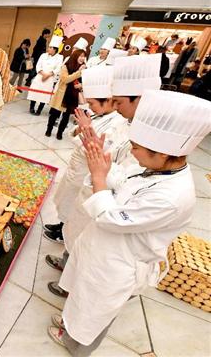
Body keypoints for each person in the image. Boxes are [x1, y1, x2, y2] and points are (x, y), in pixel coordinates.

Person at [48, 89, 211, 356]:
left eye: (137, 148)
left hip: (119, 263)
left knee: (95, 313)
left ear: (163, 153)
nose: (132, 153)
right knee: (81, 298)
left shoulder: (173, 196)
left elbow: (111, 218)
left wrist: (99, 177)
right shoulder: (154, 167)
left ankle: (76, 347)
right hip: (102, 250)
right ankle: (69, 327)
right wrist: (101, 163)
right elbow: (123, 183)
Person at [46, 54, 162, 289]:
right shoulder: (124, 121)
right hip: (94, 187)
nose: (117, 107)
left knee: (83, 246)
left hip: (104, 198)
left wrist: (97, 155)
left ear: (137, 99)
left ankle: (69, 284)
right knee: (74, 231)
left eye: (118, 101)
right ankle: (67, 268)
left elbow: (124, 174)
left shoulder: (147, 140)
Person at [42, 66, 127, 248]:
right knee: (65, 200)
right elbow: (75, 134)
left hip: (86, 173)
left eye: (93, 103)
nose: (90, 107)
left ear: (108, 101)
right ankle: (61, 226)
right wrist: (82, 128)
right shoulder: (100, 114)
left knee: (74, 206)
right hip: (76, 167)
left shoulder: (117, 123)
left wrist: (88, 130)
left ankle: (64, 234)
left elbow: (106, 150)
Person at [46, 49, 86, 139]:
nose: (82, 58)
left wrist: (81, 85)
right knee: (55, 113)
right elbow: (65, 79)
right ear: (75, 56)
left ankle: (60, 132)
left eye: (84, 56)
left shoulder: (84, 68)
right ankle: (49, 129)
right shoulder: (66, 66)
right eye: (80, 56)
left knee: (66, 117)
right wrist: (78, 72)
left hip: (73, 95)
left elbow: (86, 81)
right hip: (62, 95)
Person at [28, 35, 63, 115]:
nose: (48, 49)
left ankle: (39, 110)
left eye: (50, 48)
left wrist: (48, 75)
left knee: (44, 95)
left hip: (49, 79)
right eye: (49, 47)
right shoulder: (43, 55)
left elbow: (58, 68)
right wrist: (43, 74)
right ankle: (32, 107)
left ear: (55, 49)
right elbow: (38, 65)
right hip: (40, 76)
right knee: (34, 92)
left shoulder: (59, 57)